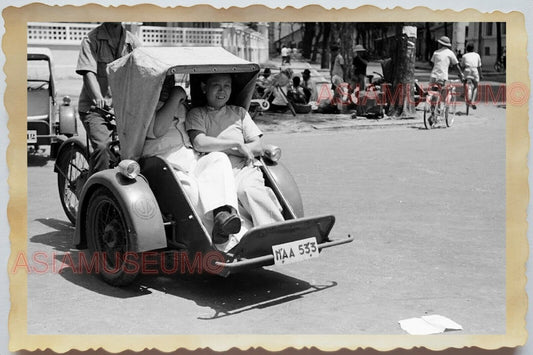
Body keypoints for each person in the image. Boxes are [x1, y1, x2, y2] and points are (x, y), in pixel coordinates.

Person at [141, 81, 241, 245]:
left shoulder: (183, 106)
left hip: (191, 158)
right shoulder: (147, 105)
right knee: (193, 192)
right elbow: (157, 130)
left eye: (169, 81)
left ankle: (223, 216)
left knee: (218, 159)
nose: (166, 85)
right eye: (161, 81)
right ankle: (219, 243)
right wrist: (175, 96)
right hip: (164, 162)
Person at [186, 73, 284, 228]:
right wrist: (237, 145)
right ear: (204, 88)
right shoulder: (197, 114)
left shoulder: (239, 113)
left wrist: (228, 148)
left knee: (247, 190)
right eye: (216, 85)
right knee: (230, 199)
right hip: (215, 173)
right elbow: (200, 142)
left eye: (227, 86)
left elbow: (257, 146)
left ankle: (276, 230)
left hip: (244, 167)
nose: (222, 91)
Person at [76, 22, 141, 174]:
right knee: (102, 147)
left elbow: (142, 73)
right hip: (95, 109)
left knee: (138, 146)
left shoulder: (133, 42)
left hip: (122, 110)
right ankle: (97, 192)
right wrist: (98, 97)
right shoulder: (91, 39)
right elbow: (88, 73)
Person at [429, 36, 464, 116]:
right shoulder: (450, 53)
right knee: (439, 93)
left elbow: (432, 63)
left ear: (440, 44)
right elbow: (456, 66)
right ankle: (436, 112)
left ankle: (433, 112)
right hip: (442, 76)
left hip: (433, 75)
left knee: (433, 93)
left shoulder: (436, 52)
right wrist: (461, 75)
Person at [460, 43, 483, 109]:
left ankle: (464, 92)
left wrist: (461, 74)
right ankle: (472, 101)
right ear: (473, 49)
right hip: (474, 70)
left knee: (464, 82)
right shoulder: (477, 55)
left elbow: (462, 66)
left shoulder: (464, 56)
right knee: (475, 86)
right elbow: (479, 67)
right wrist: (480, 74)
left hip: (467, 70)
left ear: (466, 49)